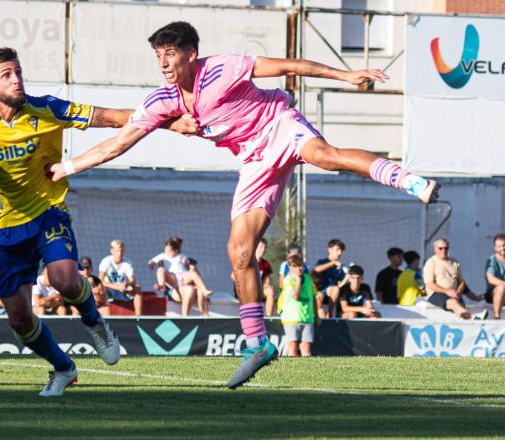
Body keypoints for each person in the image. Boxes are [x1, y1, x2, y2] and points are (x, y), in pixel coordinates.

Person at [46, 21, 439, 389]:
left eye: (171, 53)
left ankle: (407, 179)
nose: (164, 62)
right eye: (158, 55)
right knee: (239, 252)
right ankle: (257, 343)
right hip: (254, 159)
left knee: (324, 155)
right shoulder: (164, 101)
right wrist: (68, 166)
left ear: (192, 54)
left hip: (279, 125)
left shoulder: (221, 69)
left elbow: (292, 65)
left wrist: (346, 75)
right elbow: (119, 142)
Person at [0, 47, 199, 396]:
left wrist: (171, 122)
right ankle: (63, 368)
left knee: (65, 279)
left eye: (19, 71)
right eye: (7, 74)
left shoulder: (46, 108)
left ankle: (94, 322)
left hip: (48, 213)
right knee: (20, 319)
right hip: (4, 229)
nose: (17, 79)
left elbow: (115, 117)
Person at [423, 239, 487, 320]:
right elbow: (429, 284)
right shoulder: (431, 263)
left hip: (454, 293)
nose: (443, 250)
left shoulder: (454, 262)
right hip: (436, 294)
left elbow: (461, 281)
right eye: (440, 248)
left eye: (446, 248)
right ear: (435, 249)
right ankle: (473, 317)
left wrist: (460, 292)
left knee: (460, 306)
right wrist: (447, 291)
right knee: (453, 303)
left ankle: (470, 320)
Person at [149, 236, 212, 316]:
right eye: (166, 250)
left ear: (176, 250)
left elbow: (189, 265)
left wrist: (187, 263)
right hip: (172, 278)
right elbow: (152, 262)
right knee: (160, 270)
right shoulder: (162, 256)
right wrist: (151, 263)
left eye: (169, 251)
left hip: (183, 277)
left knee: (193, 275)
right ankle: (161, 285)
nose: (167, 253)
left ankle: (204, 290)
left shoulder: (182, 256)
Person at [277, 254, 318, 357]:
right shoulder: (288, 280)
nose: (299, 268)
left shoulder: (308, 279)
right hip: (292, 319)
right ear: (290, 267)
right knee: (293, 347)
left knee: (306, 349)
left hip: (307, 319)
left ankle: (307, 372)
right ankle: (293, 371)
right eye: (295, 266)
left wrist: (316, 315)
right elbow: (295, 296)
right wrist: (298, 281)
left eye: (301, 266)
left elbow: (313, 297)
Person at [99, 239, 144, 316]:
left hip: (123, 290)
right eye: (117, 251)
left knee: (138, 288)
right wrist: (116, 286)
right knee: (99, 288)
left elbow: (133, 279)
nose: (119, 253)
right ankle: (103, 317)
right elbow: (100, 280)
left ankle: (138, 317)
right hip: (109, 291)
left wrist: (127, 284)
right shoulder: (106, 261)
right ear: (112, 251)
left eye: (122, 251)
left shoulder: (127, 262)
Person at [313, 239, 348, 319]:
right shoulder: (322, 261)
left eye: (341, 250)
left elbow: (340, 286)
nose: (340, 253)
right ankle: (320, 315)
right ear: (329, 249)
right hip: (320, 294)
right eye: (337, 250)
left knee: (335, 289)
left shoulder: (340, 267)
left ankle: (330, 315)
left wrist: (347, 276)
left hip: (332, 296)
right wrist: (332, 263)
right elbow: (316, 270)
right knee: (319, 296)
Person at [485, 233, 505, 320]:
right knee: (501, 287)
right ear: (495, 248)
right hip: (493, 293)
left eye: (504, 245)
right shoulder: (492, 260)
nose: (503, 248)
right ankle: (497, 317)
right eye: (500, 246)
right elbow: (490, 279)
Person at [255, 239, 276, 316]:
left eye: (265, 247)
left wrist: (266, 285)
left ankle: (268, 318)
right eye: (261, 247)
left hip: (259, 290)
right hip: (247, 290)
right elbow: (234, 276)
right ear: (255, 247)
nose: (263, 249)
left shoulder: (265, 264)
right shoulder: (248, 260)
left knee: (270, 290)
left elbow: (267, 281)